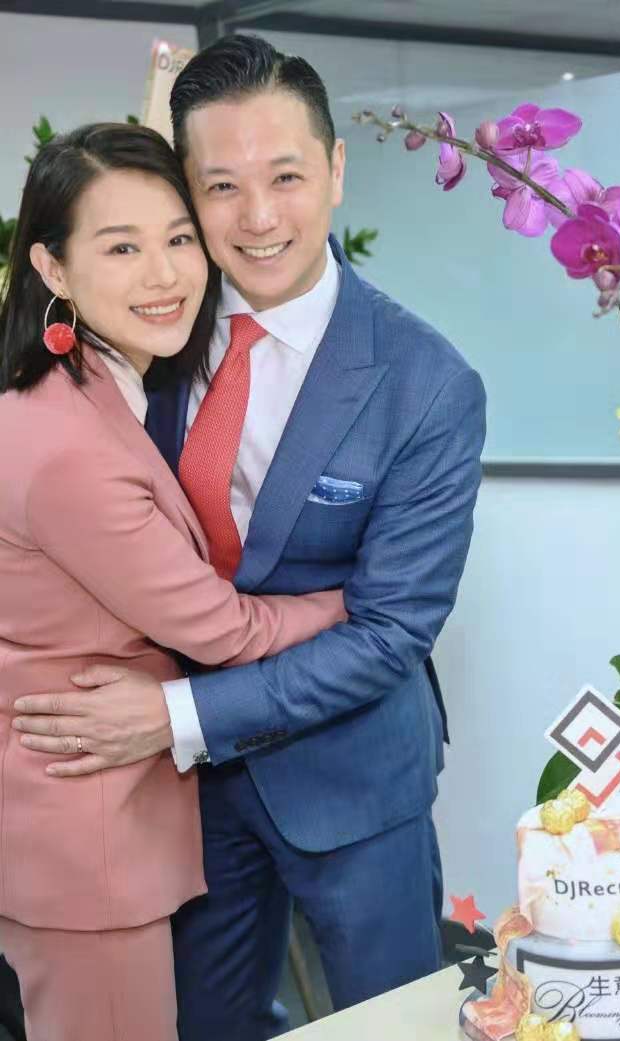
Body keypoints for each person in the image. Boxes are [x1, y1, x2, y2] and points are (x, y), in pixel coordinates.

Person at [13, 34, 487, 1038]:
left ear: (337, 170)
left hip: (349, 777)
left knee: (392, 1026)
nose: (258, 217)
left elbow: (391, 633)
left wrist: (176, 714)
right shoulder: (150, 326)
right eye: (220, 187)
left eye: (286, 177)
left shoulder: (426, 383)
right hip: (175, 795)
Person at [0, 122, 349, 1041]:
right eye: (121, 247)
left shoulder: (83, 393)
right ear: (52, 266)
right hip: (87, 834)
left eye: (179, 238)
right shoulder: (68, 446)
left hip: (79, 814)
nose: (164, 275)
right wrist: (361, 603)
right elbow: (223, 630)